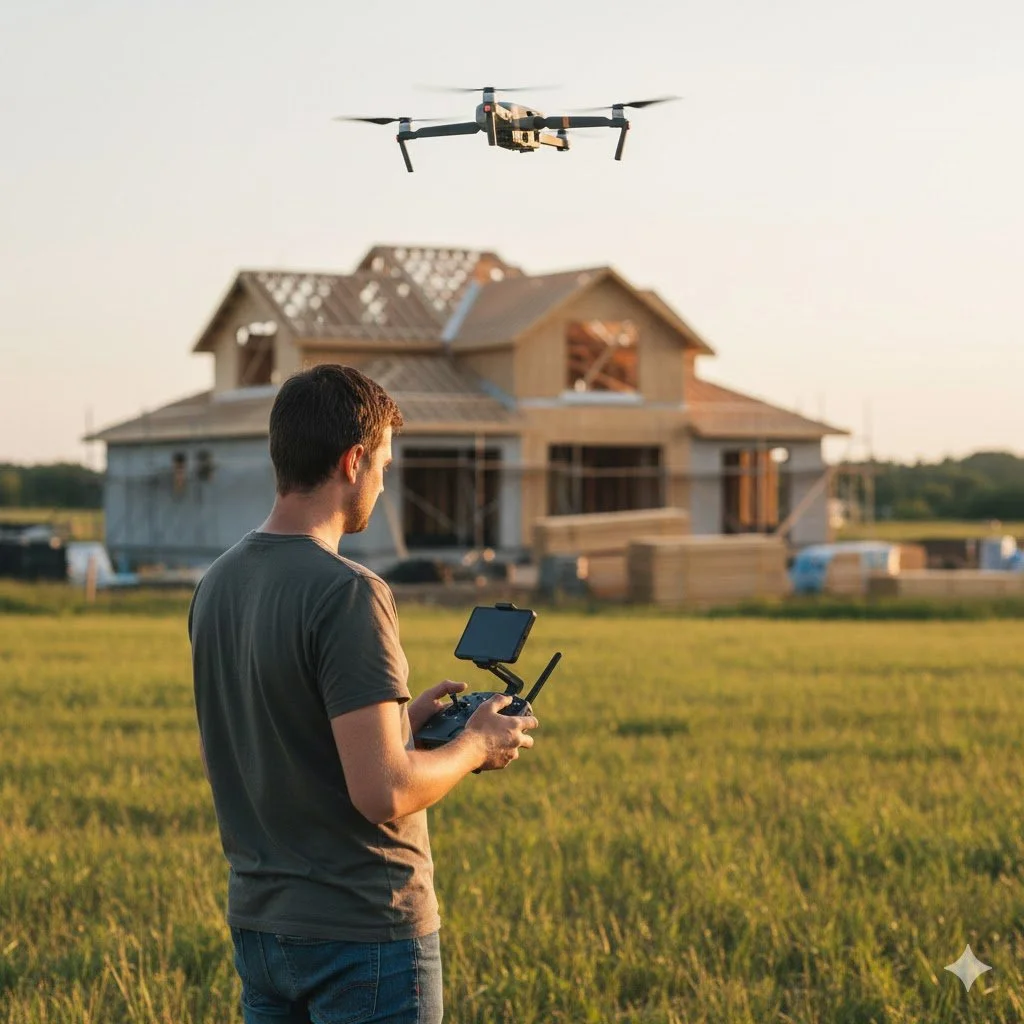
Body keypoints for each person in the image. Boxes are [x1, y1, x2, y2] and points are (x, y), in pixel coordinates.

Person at [188, 364, 539, 1024]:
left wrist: (402, 727)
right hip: (363, 933)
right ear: (353, 460)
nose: (382, 482)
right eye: (383, 464)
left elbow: (245, 751)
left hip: (262, 927)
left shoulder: (217, 584)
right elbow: (384, 792)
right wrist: (475, 743)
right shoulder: (349, 591)